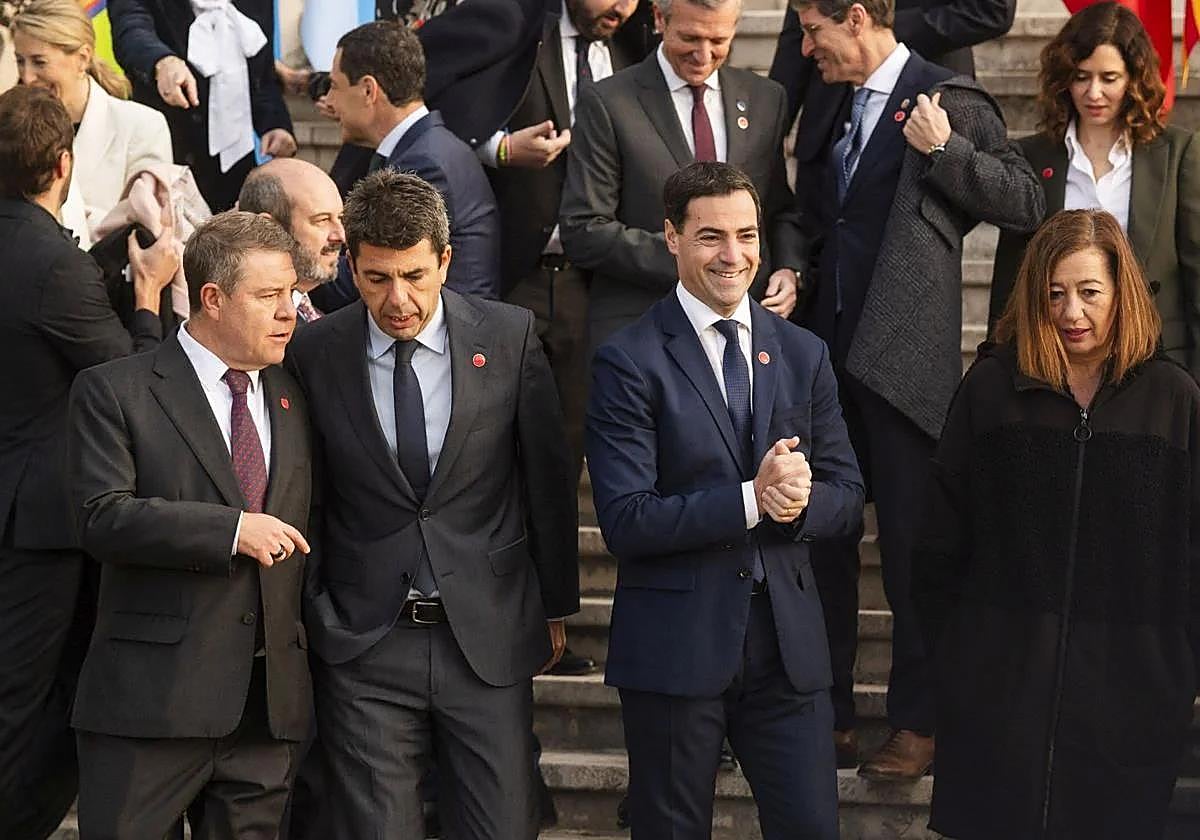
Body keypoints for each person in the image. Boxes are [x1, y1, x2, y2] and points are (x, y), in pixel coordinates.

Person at [787, 0, 1044, 777]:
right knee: (822, 549)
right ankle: (825, 714)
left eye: (812, 30)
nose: (803, 47)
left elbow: (1026, 199)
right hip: (824, 365)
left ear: (857, 17)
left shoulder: (947, 98)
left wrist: (943, 153)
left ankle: (918, 724)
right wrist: (789, 269)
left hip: (904, 369)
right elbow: (812, 217)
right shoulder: (832, 100)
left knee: (909, 559)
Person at [287, 170, 578, 840]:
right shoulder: (314, 351)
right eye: (377, 278)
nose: (399, 299)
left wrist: (555, 604)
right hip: (365, 643)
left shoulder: (509, 336)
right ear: (350, 269)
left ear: (445, 260)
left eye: (415, 275)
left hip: (487, 637)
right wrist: (318, 612)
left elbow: (547, 480)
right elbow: (309, 491)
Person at [586, 161, 864, 839]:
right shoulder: (627, 360)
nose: (733, 255)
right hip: (678, 647)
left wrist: (798, 505)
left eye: (746, 235)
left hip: (789, 652)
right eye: (711, 237)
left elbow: (849, 498)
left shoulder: (804, 353)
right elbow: (625, 520)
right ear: (671, 236)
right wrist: (752, 499)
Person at [914, 208, 1200, 838]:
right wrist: (962, 657)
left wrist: (1173, 669)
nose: (1073, 312)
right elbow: (939, 542)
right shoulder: (991, 390)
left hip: (1129, 705)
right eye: (1056, 294)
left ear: (1121, 293)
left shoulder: (1174, 400)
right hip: (997, 700)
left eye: (1090, 292)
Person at [68, 211, 314, 839]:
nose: (290, 311)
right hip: (148, 707)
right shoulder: (115, 390)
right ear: (211, 299)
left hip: (266, 711)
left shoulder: (296, 394)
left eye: (291, 292)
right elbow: (103, 517)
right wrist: (232, 530)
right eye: (269, 296)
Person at [0, 84, 177, 840]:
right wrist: (147, 295)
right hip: (39, 523)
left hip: (25, 508)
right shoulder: (48, 263)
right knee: (26, 701)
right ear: (64, 163)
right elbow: (123, 382)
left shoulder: (46, 259)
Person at [486, 0, 644, 678]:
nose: (621, 5)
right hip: (510, 278)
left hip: (591, 288)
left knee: (564, 461)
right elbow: (439, 114)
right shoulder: (516, 35)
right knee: (494, 456)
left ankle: (551, 626)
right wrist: (499, 149)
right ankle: (497, 621)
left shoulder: (639, 50)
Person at [560, 0, 803, 354]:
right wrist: (697, 258)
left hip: (744, 332)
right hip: (643, 331)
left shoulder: (766, 98)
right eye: (690, 37)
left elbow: (779, 207)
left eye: (719, 40)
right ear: (660, 19)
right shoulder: (608, 102)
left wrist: (789, 268)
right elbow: (584, 228)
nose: (703, 55)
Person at [987, 1, 1200, 377]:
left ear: (1135, 78)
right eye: (1082, 76)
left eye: (1109, 78)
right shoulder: (1032, 156)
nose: (1094, 93)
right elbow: (1012, 278)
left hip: (1154, 365)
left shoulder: (1179, 154)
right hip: (1053, 363)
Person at [313, 21, 499, 310]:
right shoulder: (426, 148)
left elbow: (364, 281)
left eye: (335, 86)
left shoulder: (423, 165)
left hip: (451, 345)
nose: (330, 101)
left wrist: (290, 253)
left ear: (367, 90)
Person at [107, 0, 296, 212]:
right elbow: (132, 29)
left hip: (236, 163)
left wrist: (275, 124)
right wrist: (162, 61)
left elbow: (261, 75)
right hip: (171, 157)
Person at [11, 0, 172, 246]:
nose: (27, 76)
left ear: (83, 58)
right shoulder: (11, 126)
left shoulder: (143, 126)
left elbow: (148, 231)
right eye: (20, 61)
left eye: (39, 62)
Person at [237, 157, 346, 323]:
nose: (341, 236)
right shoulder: (250, 323)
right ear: (268, 228)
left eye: (340, 218)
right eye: (322, 220)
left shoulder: (315, 302)